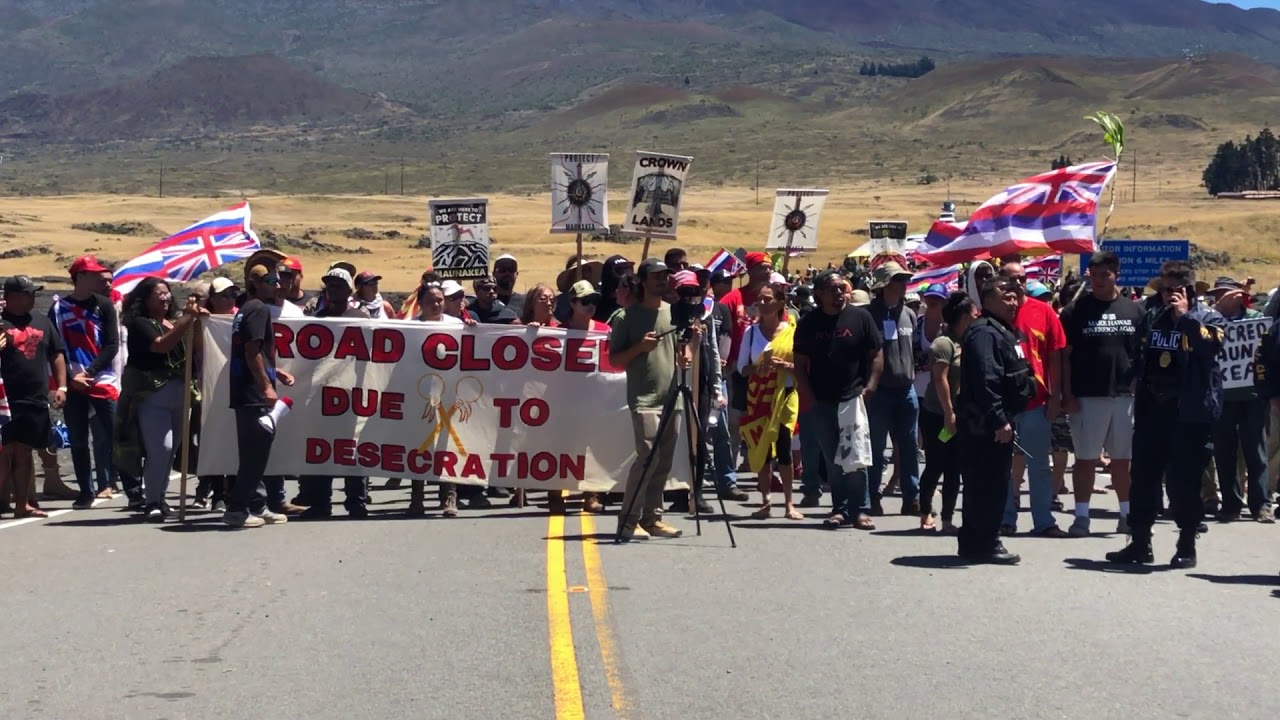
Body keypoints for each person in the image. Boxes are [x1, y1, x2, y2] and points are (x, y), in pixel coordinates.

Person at [1107, 261, 1225, 568]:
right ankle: (1140, 542)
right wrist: (1133, 375)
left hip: (1188, 413)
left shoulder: (1208, 317)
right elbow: (1139, 352)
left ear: (1186, 290)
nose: (1165, 295)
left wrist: (1184, 317)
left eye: (1172, 289)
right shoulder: (1152, 317)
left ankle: (1186, 542)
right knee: (1143, 478)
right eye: (1163, 289)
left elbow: (1210, 348)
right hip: (1152, 410)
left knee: (1183, 481)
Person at [1059, 250, 1143, 536]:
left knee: (1122, 460)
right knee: (1085, 458)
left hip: (1124, 396)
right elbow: (1065, 356)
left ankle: (1127, 514)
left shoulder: (1135, 311)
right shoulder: (1075, 311)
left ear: (1116, 275)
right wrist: (1066, 394)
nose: (1098, 281)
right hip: (1087, 395)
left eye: (1104, 275)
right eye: (1093, 276)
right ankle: (1081, 516)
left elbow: (1142, 354)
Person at [608, 258, 692, 541]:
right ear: (643, 281)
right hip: (645, 398)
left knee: (663, 462)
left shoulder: (674, 313)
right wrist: (639, 348)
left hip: (672, 397)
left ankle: (652, 518)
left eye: (664, 276)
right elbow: (615, 360)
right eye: (656, 277)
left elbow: (682, 348)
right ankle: (627, 521)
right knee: (647, 458)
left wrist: (687, 353)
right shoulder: (626, 317)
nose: (662, 281)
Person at [793, 270, 882, 531]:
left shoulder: (861, 317)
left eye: (842, 287)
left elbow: (876, 355)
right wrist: (807, 393)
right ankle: (839, 510)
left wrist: (870, 387)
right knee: (833, 459)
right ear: (819, 293)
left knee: (856, 457)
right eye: (832, 288)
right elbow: (799, 363)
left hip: (853, 396)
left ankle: (861, 510)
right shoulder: (810, 323)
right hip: (821, 400)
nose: (839, 292)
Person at [956, 280, 1035, 564]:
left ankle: (976, 541)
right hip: (984, 424)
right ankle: (985, 542)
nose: (1013, 302)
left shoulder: (1001, 330)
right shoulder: (985, 333)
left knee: (988, 483)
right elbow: (987, 378)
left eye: (1016, 298)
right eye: (1006, 297)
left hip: (993, 420)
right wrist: (999, 420)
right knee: (987, 484)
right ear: (987, 300)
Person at [115, 278, 206, 522]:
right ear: (144, 299)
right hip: (153, 394)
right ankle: (151, 501)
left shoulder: (172, 323)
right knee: (160, 448)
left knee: (172, 449)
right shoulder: (140, 324)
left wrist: (197, 323)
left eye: (167, 293)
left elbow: (192, 347)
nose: (164, 298)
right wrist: (187, 318)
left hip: (179, 394)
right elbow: (162, 346)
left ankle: (160, 496)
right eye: (158, 294)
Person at [997, 260, 1068, 537]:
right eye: (1011, 278)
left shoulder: (1044, 312)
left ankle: (1044, 521)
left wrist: (1056, 395)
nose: (1017, 283)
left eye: (1022, 278)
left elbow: (1055, 355)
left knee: (1039, 463)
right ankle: (1005, 519)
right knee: (1003, 465)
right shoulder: (993, 313)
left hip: (1037, 401)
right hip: (1004, 404)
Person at [223, 262, 296, 529]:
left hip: (247, 389)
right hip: (251, 393)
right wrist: (266, 386)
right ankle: (236, 508)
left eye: (277, 280)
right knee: (255, 455)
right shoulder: (258, 309)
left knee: (256, 453)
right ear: (255, 283)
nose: (277, 285)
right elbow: (251, 351)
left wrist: (276, 372)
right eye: (270, 281)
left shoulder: (246, 309)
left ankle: (256, 505)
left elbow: (255, 352)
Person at [297, 269, 371, 519]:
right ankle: (320, 503)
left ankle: (356, 502)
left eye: (339, 285)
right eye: (329, 285)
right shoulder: (318, 319)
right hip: (322, 396)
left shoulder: (361, 318)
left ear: (350, 290)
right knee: (322, 449)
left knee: (353, 449)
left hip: (352, 395)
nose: (333, 289)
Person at [51, 255, 121, 509]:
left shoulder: (104, 305)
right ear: (80, 277)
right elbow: (55, 347)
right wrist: (70, 379)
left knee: (117, 433)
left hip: (100, 378)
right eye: (94, 274)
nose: (99, 278)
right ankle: (85, 491)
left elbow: (112, 344)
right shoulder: (58, 309)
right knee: (79, 440)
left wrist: (89, 372)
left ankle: (132, 488)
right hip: (72, 383)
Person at [1205, 276, 1272, 523]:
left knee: (1256, 450)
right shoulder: (1211, 320)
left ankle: (1261, 504)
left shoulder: (1255, 320)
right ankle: (1231, 504)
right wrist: (1217, 310)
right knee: (1224, 451)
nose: (1221, 296)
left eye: (1226, 292)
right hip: (1222, 396)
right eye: (1217, 293)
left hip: (1252, 395)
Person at [0, 276, 66, 519]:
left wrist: (62, 387)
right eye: (28, 293)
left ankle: (22, 504)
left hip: (34, 398)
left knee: (24, 452)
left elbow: (56, 353)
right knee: (4, 452)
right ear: (12, 297)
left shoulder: (41, 320)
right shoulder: (1, 322)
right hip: (5, 399)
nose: (33, 297)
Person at [738, 284, 803, 520]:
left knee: (784, 447)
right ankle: (765, 501)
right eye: (759, 299)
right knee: (762, 448)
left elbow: (805, 367)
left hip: (784, 395)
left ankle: (789, 504)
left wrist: (785, 366)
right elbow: (741, 368)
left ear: (780, 303)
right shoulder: (751, 332)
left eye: (767, 299)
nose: (761, 303)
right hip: (758, 396)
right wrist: (758, 367)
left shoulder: (793, 331)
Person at [407, 275, 467, 517]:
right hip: (417, 395)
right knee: (417, 447)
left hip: (448, 396)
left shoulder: (457, 324)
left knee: (446, 447)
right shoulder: (409, 327)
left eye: (440, 300)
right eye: (431, 300)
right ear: (420, 303)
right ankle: (417, 498)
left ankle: (449, 497)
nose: (437, 305)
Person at [864, 261, 921, 515]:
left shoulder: (909, 314)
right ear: (885, 284)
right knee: (876, 447)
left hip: (906, 389)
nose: (903, 284)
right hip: (880, 392)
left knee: (909, 446)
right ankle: (873, 495)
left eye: (904, 279)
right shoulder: (869, 314)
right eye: (898, 279)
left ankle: (912, 496)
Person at [919, 292, 976, 533]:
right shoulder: (944, 343)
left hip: (961, 415)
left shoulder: (970, 341)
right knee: (935, 464)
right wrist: (948, 413)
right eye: (973, 314)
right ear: (963, 316)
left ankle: (947, 519)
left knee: (955, 467)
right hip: (938, 416)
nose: (977, 317)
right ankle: (924, 514)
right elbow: (939, 378)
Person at [565, 279, 614, 514]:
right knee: (563, 446)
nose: (590, 306)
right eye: (585, 302)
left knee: (595, 449)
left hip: (597, 401)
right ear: (573, 303)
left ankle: (592, 494)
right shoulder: (558, 331)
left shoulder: (605, 331)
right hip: (566, 400)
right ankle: (555, 491)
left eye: (594, 301)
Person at [193, 277, 238, 511]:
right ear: (213, 298)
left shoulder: (241, 317)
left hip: (236, 387)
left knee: (234, 440)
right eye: (224, 296)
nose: (230, 300)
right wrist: (201, 323)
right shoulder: (205, 321)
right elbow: (199, 349)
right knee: (213, 440)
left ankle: (231, 492)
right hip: (211, 388)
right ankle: (216, 492)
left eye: (233, 294)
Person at [595, 255, 635, 323]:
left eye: (628, 271)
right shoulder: (594, 306)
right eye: (621, 272)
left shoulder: (635, 305)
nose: (626, 276)